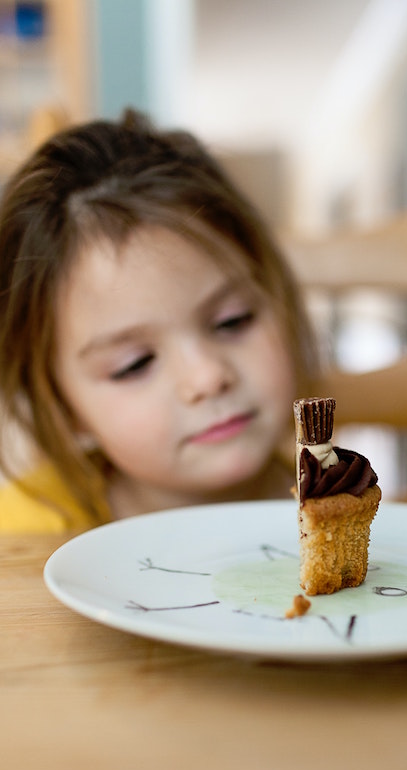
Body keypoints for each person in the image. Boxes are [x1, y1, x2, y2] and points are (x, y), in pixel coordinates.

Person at [0, 110, 316, 533]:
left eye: (232, 321)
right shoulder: (20, 537)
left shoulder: (342, 502)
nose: (207, 377)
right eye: (134, 364)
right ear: (63, 410)